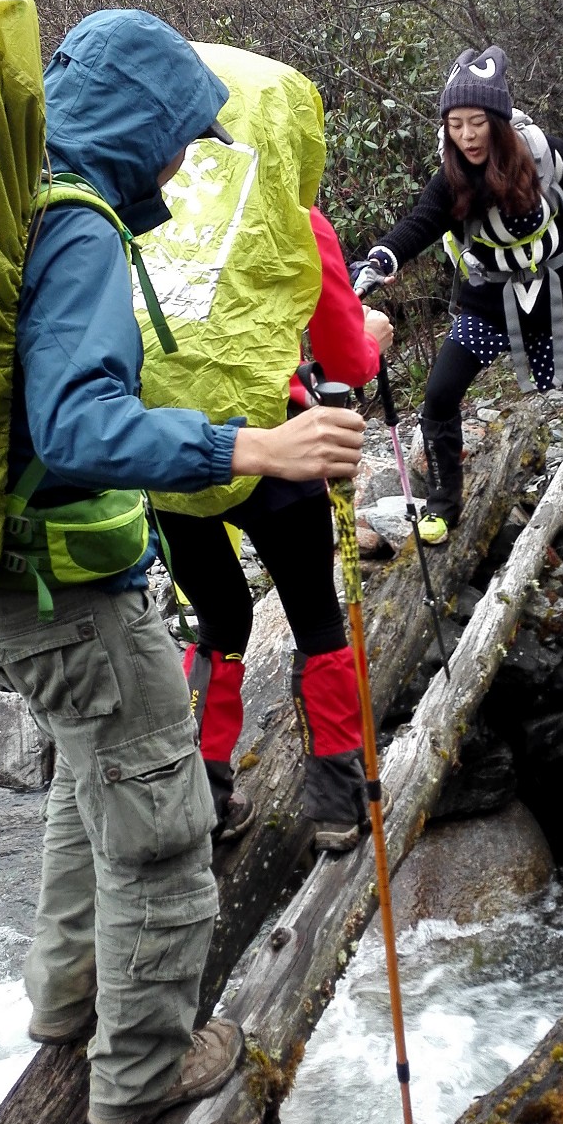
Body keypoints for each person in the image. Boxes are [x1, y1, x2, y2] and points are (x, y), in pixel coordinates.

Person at [0, 10, 364, 1124]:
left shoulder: (20, 201)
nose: (186, 162)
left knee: (93, 783)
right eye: (180, 135)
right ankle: (141, 1065)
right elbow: (81, 422)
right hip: (68, 585)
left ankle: (66, 1000)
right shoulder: (82, 230)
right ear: (137, 127)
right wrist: (254, 445)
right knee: (162, 820)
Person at [353, 46, 563, 555]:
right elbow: (419, 224)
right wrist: (381, 260)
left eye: (477, 122)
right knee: (439, 395)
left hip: (556, 301)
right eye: (455, 124)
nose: (467, 136)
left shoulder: (548, 156)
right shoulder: (452, 177)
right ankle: (443, 506)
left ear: (498, 120)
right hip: (487, 300)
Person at [159, 202, 393, 854]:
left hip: (169, 451)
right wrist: (374, 335)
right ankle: (338, 808)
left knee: (221, 626)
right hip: (278, 442)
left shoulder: (151, 205)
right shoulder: (291, 212)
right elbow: (349, 358)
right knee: (317, 622)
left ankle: (204, 798)